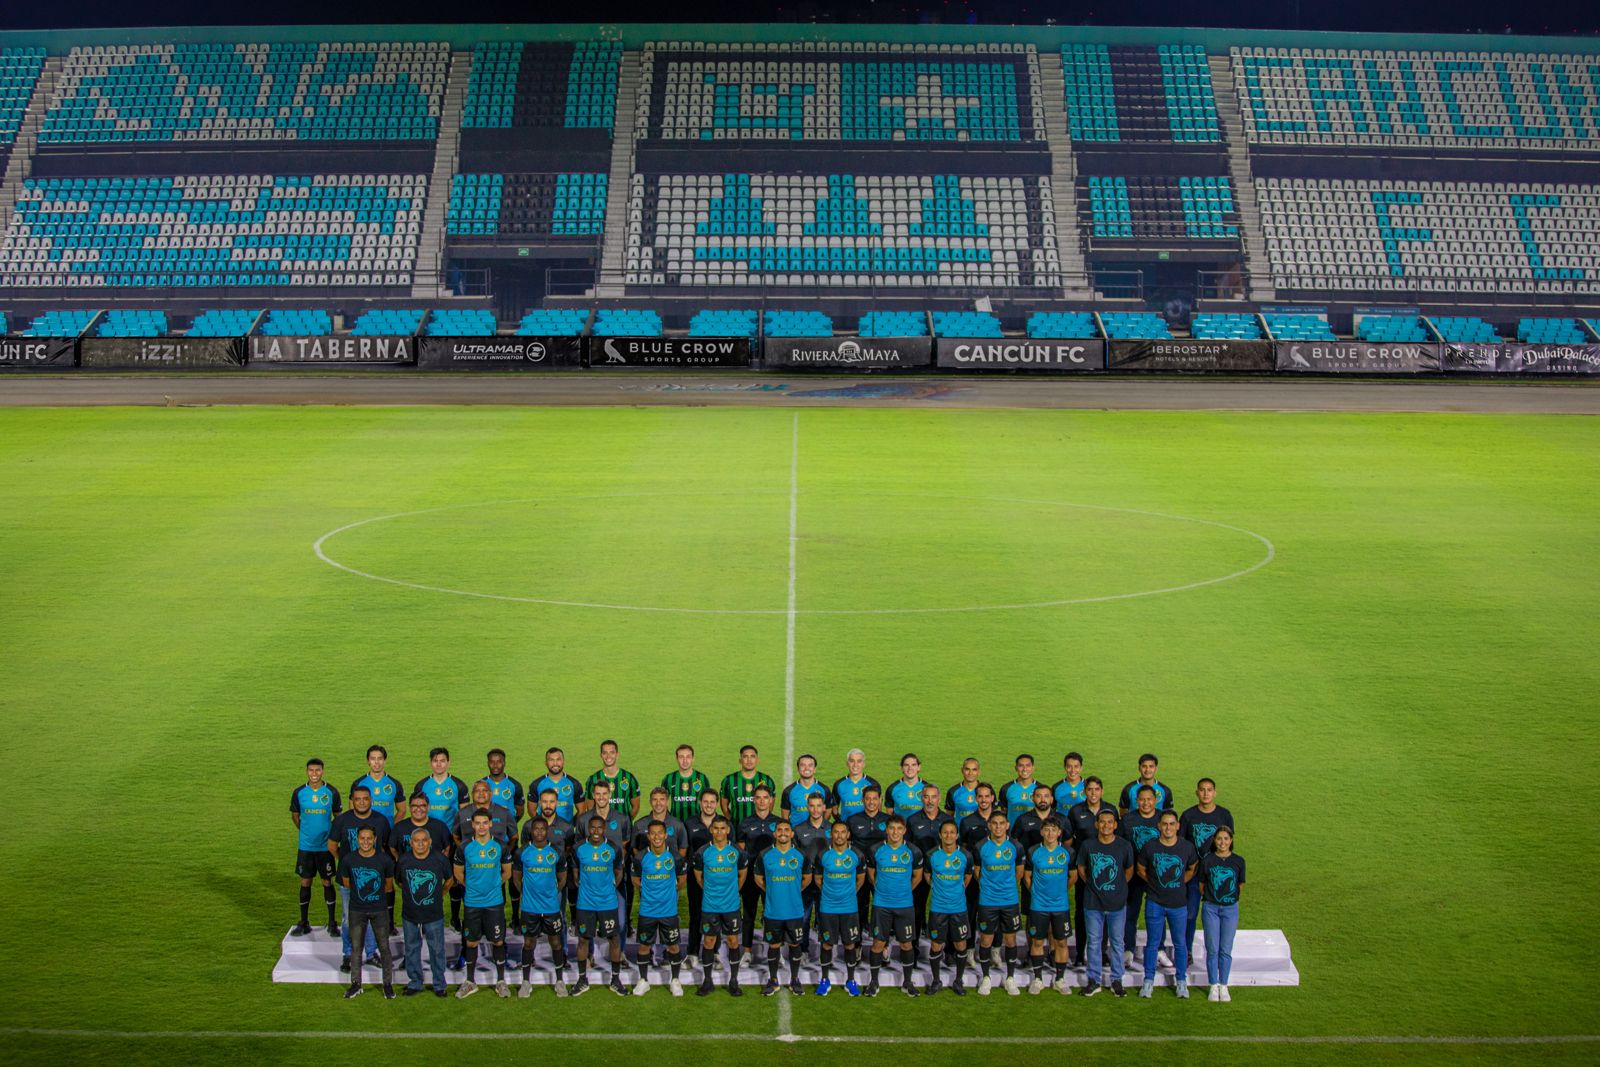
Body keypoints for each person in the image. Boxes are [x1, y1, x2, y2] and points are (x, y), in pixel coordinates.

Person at [1136, 810, 1199, 999]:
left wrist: (1179, 882)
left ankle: (1181, 981)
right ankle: (1148, 981)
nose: (1168, 827)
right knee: (1152, 943)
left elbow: (1192, 868)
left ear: (1178, 826)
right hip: (1155, 902)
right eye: (1165, 824)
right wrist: (1155, 884)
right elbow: (1140, 868)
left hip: (1178, 903)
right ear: (1159, 826)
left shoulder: (1186, 847)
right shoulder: (1150, 847)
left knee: (1180, 944)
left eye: (1172, 824)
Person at [452, 809, 513, 999]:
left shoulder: (501, 846)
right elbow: (458, 873)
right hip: (472, 902)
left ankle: (501, 981)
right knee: (471, 941)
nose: (481, 827)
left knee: (498, 940)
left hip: (494, 902)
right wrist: (472, 887)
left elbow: (507, 872)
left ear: (490, 823)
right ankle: (470, 981)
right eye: (477, 823)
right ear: (472, 825)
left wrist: (493, 885)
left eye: (484, 823)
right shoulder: (464, 848)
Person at [329, 785, 387, 972]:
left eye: (365, 798)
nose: (361, 802)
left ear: (370, 800)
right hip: (348, 880)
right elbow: (332, 845)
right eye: (358, 799)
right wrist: (347, 862)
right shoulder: (342, 820)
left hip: (372, 881)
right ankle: (348, 954)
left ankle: (371, 954)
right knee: (348, 919)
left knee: (372, 917)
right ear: (352, 801)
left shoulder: (380, 820)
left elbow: (385, 848)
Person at [1078, 809, 1134, 998]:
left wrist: (1115, 888)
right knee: (1094, 942)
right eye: (1102, 822)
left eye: (1110, 822)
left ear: (1115, 825)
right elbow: (1082, 869)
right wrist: (1096, 887)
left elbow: (1128, 871)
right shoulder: (1088, 845)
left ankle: (1116, 980)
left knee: (1117, 942)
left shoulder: (1124, 846)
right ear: (1096, 824)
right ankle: (1094, 980)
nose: (1106, 825)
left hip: (1117, 904)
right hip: (1093, 902)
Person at [570, 815, 627, 997]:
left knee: (614, 939)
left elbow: (619, 871)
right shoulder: (578, 848)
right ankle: (581, 980)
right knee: (583, 940)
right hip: (585, 903)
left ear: (604, 829)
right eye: (592, 828)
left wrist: (610, 888)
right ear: (588, 829)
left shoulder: (613, 848)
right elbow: (576, 872)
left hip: (607, 903)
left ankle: (616, 980)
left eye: (599, 828)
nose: (595, 832)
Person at [866, 814, 923, 997]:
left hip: (904, 905)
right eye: (892, 828)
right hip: (881, 905)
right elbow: (871, 874)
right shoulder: (876, 850)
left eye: (899, 829)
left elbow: (917, 876)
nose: (895, 832)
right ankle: (873, 982)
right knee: (878, 943)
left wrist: (903, 892)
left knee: (906, 944)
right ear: (886, 830)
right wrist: (883, 891)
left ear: (904, 830)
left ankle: (907, 982)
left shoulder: (913, 851)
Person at [413, 748, 469, 930]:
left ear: (448, 762)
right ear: (431, 763)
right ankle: (424, 917)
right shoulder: (422, 785)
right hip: (427, 840)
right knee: (425, 878)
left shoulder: (458, 785)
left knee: (454, 879)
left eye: (442, 760)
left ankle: (454, 917)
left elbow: (464, 815)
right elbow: (416, 811)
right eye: (435, 761)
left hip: (450, 840)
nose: (439, 764)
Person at [691, 814, 747, 997]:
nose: (719, 832)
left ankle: (733, 980)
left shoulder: (736, 851)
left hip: (731, 906)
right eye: (716, 828)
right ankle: (708, 981)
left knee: (733, 941)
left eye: (723, 828)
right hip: (710, 906)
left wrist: (732, 892)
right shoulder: (702, 852)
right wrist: (711, 892)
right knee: (708, 941)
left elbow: (742, 874)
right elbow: (699, 877)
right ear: (711, 830)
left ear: (728, 830)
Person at [514, 815, 570, 998]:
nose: (539, 832)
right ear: (531, 831)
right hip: (530, 907)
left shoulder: (556, 852)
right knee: (529, 943)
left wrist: (551, 894)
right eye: (535, 829)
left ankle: (559, 981)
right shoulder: (522, 852)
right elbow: (516, 878)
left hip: (551, 908)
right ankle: (525, 982)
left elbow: (562, 878)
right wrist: (529, 893)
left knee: (555, 942)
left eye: (542, 829)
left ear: (548, 831)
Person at [1180, 778, 1235, 960]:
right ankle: (1186, 950)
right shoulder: (1188, 816)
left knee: (1221, 913)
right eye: (1202, 790)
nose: (1205, 793)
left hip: (1216, 873)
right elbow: (1182, 845)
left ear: (1215, 792)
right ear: (1197, 792)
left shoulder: (1224, 815)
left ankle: (1221, 952)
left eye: (1209, 790)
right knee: (1190, 913)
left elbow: (1228, 844)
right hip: (1195, 874)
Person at [1066, 776, 1118, 967]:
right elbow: (1069, 841)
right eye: (1090, 789)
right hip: (1084, 869)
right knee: (1082, 910)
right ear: (1084, 791)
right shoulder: (1076, 811)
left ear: (1101, 791)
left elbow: (1115, 839)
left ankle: (1102, 952)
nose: (1093, 793)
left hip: (1105, 871)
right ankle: (1080, 952)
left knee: (1105, 911)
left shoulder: (1110, 810)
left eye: (1097, 789)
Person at [338, 826, 395, 1000]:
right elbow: (347, 884)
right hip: (357, 909)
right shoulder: (348, 860)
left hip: (379, 910)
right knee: (356, 949)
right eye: (362, 838)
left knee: (384, 947)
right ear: (357, 839)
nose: (365, 842)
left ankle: (387, 984)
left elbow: (388, 886)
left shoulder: (384, 860)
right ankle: (356, 984)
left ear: (375, 839)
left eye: (369, 838)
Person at [753, 819, 809, 997]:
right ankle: (773, 980)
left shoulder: (801, 855)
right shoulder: (765, 855)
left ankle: (794, 979)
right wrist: (773, 891)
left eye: (786, 830)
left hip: (794, 911)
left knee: (795, 944)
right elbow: (758, 878)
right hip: (773, 911)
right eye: (779, 830)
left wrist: (792, 890)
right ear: (775, 833)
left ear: (792, 834)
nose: (783, 833)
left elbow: (807, 878)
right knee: (774, 945)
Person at [631, 820, 687, 997]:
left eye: (659, 833)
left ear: (665, 835)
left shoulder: (675, 857)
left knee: (673, 946)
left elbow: (682, 880)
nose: (656, 837)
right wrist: (649, 893)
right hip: (647, 911)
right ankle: (643, 981)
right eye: (653, 833)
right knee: (644, 946)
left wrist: (668, 893)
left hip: (668, 911)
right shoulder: (640, 858)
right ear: (648, 836)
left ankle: (675, 980)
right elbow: (635, 880)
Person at [395, 826, 451, 998]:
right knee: (411, 948)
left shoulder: (439, 859)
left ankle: (439, 985)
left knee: (437, 949)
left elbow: (449, 880)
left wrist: (438, 893)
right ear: (411, 843)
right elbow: (400, 882)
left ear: (429, 842)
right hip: (410, 914)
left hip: (433, 913)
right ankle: (415, 983)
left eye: (423, 840)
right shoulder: (404, 860)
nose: (420, 844)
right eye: (416, 841)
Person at [810, 820, 864, 997]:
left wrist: (847, 894)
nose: (839, 836)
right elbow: (818, 879)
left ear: (848, 834)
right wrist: (831, 894)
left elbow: (860, 879)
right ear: (830, 835)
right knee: (827, 943)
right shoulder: (823, 855)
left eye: (843, 832)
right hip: (828, 907)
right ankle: (825, 980)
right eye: (836, 832)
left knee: (850, 944)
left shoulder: (856, 854)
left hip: (849, 908)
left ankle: (850, 980)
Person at [974, 811, 1023, 996]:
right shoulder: (981, 847)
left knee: (1010, 940)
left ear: (1007, 825)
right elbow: (978, 872)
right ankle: (986, 977)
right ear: (989, 825)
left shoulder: (1016, 846)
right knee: (986, 939)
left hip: (1009, 901)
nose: (998, 827)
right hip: (988, 901)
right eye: (994, 823)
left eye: (1001, 823)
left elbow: (1019, 872)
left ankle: (1010, 978)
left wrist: (1005, 886)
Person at [290, 758, 340, 938]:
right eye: (311, 771)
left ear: (322, 771)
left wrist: (329, 835)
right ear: (306, 772)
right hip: (306, 847)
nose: (314, 774)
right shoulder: (299, 793)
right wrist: (305, 831)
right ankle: (303, 922)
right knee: (305, 882)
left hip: (324, 847)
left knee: (327, 882)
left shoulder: (331, 792)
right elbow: (295, 816)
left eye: (317, 770)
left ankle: (332, 922)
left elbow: (338, 817)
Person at [1024, 817, 1075, 995]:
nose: (1050, 833)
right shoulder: (1033, 852)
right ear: (1041, 832)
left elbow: (1073, 876)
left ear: (1059, 832)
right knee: (1037, 941)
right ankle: (1038, 979)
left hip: (1060, 906)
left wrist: (1060, 891)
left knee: (1061, 942)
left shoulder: (1068, 852)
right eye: (1047, 829)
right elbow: (1027, 877)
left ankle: (1060, 979)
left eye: (1054, 829)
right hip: (1039, 906)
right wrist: (1038, 894)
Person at [922, 819, 972, 996]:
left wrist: (956, 890)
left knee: (960, 944)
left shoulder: (965, 855)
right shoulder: (931, 855)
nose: (949, 835)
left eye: (952, 832)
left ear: (957, 835)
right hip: (938, 908)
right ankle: (936, 981)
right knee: (936, 944)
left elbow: (967, 877)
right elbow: (927, 875)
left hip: (958, 909)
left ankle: (958, 981)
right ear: (940, 835)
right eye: (945, 832)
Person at [1121, 785, 1167, 973]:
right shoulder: (1128, 819)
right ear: (1136, 801)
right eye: (1142, 799)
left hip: (1156, 875)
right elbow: (1121, 846)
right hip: (1133, 873)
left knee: (1158, 914)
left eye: (1149, 799)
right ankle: (1128, 949)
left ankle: (1159, 949)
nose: (1146, 803)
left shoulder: (1163, 819)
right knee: (1130, 912)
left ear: (1155, 800)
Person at [905, 783, 953, 952]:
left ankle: (949, 949)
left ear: (939, 798)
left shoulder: (948, 820)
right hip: (919, 872)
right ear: (921, 798)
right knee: (917, 909)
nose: (930, 801)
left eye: (933, 797)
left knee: (947, 910)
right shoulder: (913, 820)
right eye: (926, 797)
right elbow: (908, 848)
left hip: (944, 873)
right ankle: (914, 947)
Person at [735, 784, 780, 962]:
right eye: (758, 797)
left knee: (773, 913)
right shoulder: (745, 823)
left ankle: (775, 949)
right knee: (749, 913)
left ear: (770, 800)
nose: (762, 801)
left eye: (765, 798)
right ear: (754, 800)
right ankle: (747, 951)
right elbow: (741, 851)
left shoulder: (779, 824)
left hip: (772, 877)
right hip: (751, 877)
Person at [1199, 825, 1244, 1002]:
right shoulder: (1207, 860)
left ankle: (1223, 985)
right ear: (1214, 841)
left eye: (1226, 839)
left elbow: (1240, 885)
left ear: (1231, 841)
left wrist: (1228, 899)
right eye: (1219, 839)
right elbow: (1202, 885)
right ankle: (1213, 985)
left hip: (1230, 909)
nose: (1222, 842)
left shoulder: (1239, 861)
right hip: (1210, 907)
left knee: (1225, 948)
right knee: (1212, 948)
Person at [586, 780, 633, 937]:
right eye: (598, 794)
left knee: (620, 922)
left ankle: (620, 955)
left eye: (604, 794)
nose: (601, 797)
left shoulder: (622, 819)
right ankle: (590, 955)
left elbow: (625, 844)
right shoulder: (583, 820)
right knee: (589, 925)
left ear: (610, 795)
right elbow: (579, 847)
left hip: (616, 878)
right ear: (593, 795)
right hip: (590, 880)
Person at [790, 792, 833, 953]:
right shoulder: (799, 830)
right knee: (803, 918)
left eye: (818, 806)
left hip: (826, 882)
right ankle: (803, 951)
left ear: (823, 807)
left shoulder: (832, 829)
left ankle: (825, 951)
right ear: (808, 807)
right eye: (812, 806)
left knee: (825, 918)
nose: (815, 810)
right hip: (805, 882)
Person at [845, 785, 888, 928]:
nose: (871, 802)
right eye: (868, 799)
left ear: (880, 800)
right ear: (862, 800)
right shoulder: (852, 820)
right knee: (859, 899)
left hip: (882, 869)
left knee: (881, 899)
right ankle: (859, 926)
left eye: (875, 799)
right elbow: (847, 845)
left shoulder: (888, 820)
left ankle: (881, 927)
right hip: (860, 869)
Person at [683, 788, 720, 953]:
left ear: (717, 804)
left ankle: (715, 952)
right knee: (695, 914)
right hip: (695, 876)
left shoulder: (724, 823)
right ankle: (692, 952)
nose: (709, 805)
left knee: (715, 915)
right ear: (700, 803)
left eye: (712, 802)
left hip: (718, 878)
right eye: (705, 802)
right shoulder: (689, 823)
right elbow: (685, 848)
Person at [719, 745, 776, 825]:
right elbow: (724, 805)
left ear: (757, 760)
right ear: (740, 760)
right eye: (745, 757)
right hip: (737, 827)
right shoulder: (729, 780)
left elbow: (770, 803)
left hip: (760, 826)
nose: (749, 760)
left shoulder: (767, 780)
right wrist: (731, 820)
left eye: (752, 756)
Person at [585, 739, 641, 819]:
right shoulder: (593, 779)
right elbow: (590, 807)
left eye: (612, 752)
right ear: (601, 755)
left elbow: (636, 806)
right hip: (601, 829)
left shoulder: (629, 778)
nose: (608, 756)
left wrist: (625, 822)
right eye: (605, 753)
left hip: (623, 829)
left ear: (617, 754)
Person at [352, 745, 405, 827]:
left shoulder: (395, 784)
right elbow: (352, 809)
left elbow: (402, 810)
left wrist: (390, 827)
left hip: (387, 834)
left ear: (384, 761)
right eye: (373, 759)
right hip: (364, 833)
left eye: (380, 758)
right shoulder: (358, 783)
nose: (376, 762)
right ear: (368, 761)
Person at [632, 786, 689, 860]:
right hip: (648, 869)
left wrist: (671, 864)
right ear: (650, 802)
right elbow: (634, 848)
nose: (658, 803)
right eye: (655, 800)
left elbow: (683, 848)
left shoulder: (678, 825)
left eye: (662, 799)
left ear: (667, 802)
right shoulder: (639, 825)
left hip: (669, 869)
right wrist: (645, 862)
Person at [389, 793, 452, 860]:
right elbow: (392, 848)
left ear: (428, 807)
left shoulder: (440, 826)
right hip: (409, 869)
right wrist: (402, 861)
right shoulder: (399, 827)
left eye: (422, 806)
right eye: (414, 806)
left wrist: (439, 863)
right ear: (409, 807)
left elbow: (447, 848)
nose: (418, 809)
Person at [531, 747, 584, 825]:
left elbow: (581, 810)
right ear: (546, 763)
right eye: (551, 760)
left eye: (558, 759)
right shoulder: (537, 784)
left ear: (563, 762)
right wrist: (541, 825)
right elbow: (531, 810)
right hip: (544, 831)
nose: (555, 763)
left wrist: (570, 825)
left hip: (566, 832)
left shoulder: (574, 784)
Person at [662, 744, 711, 823]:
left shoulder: (702, 778)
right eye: (681, 757)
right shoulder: (669, 778)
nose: (685, 761)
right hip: (675, 823)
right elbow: (662, 801)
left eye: (688, 757)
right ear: (677, 759)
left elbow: (709, 800)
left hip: (697, 823)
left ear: (693, 758)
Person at [479, 748, 524, 829]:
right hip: (486, 831)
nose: (495, 765)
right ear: (488, 763)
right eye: (492, 762)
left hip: (507, 833)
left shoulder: (515, 785)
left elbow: (520, 811)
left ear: (504, 763)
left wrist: (511, 824)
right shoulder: (480, 785)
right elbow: (476, 808)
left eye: (499, 762)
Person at [830, 748, 879, 821]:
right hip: (847, 829)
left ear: (863, 764)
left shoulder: (872, 784)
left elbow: (878, 808)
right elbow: (834, 809)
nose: (855, 765)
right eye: (851, 761)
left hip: (867, 828)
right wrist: (841, 823)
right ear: (847, 763)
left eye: (859, 761)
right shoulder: (839, 784)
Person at [780, 753, 828, 825]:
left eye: (810, 765)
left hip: (817, 832)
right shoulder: (788, 791)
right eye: (803, 765)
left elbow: (828, 812)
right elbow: (785, 816)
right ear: (798, 769)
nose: (806, 768)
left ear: (814, 769)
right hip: (796, 833)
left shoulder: (824, 789)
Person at [1000, 754, 1041, 824]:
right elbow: (1004, 811)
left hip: (1035, 832)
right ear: (1016, 768)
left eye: (1028, 765)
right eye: (1021, 766)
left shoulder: (1040, 788)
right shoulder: (1006, 788)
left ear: (1033, 768)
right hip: (1013, 832)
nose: (1024, 769)